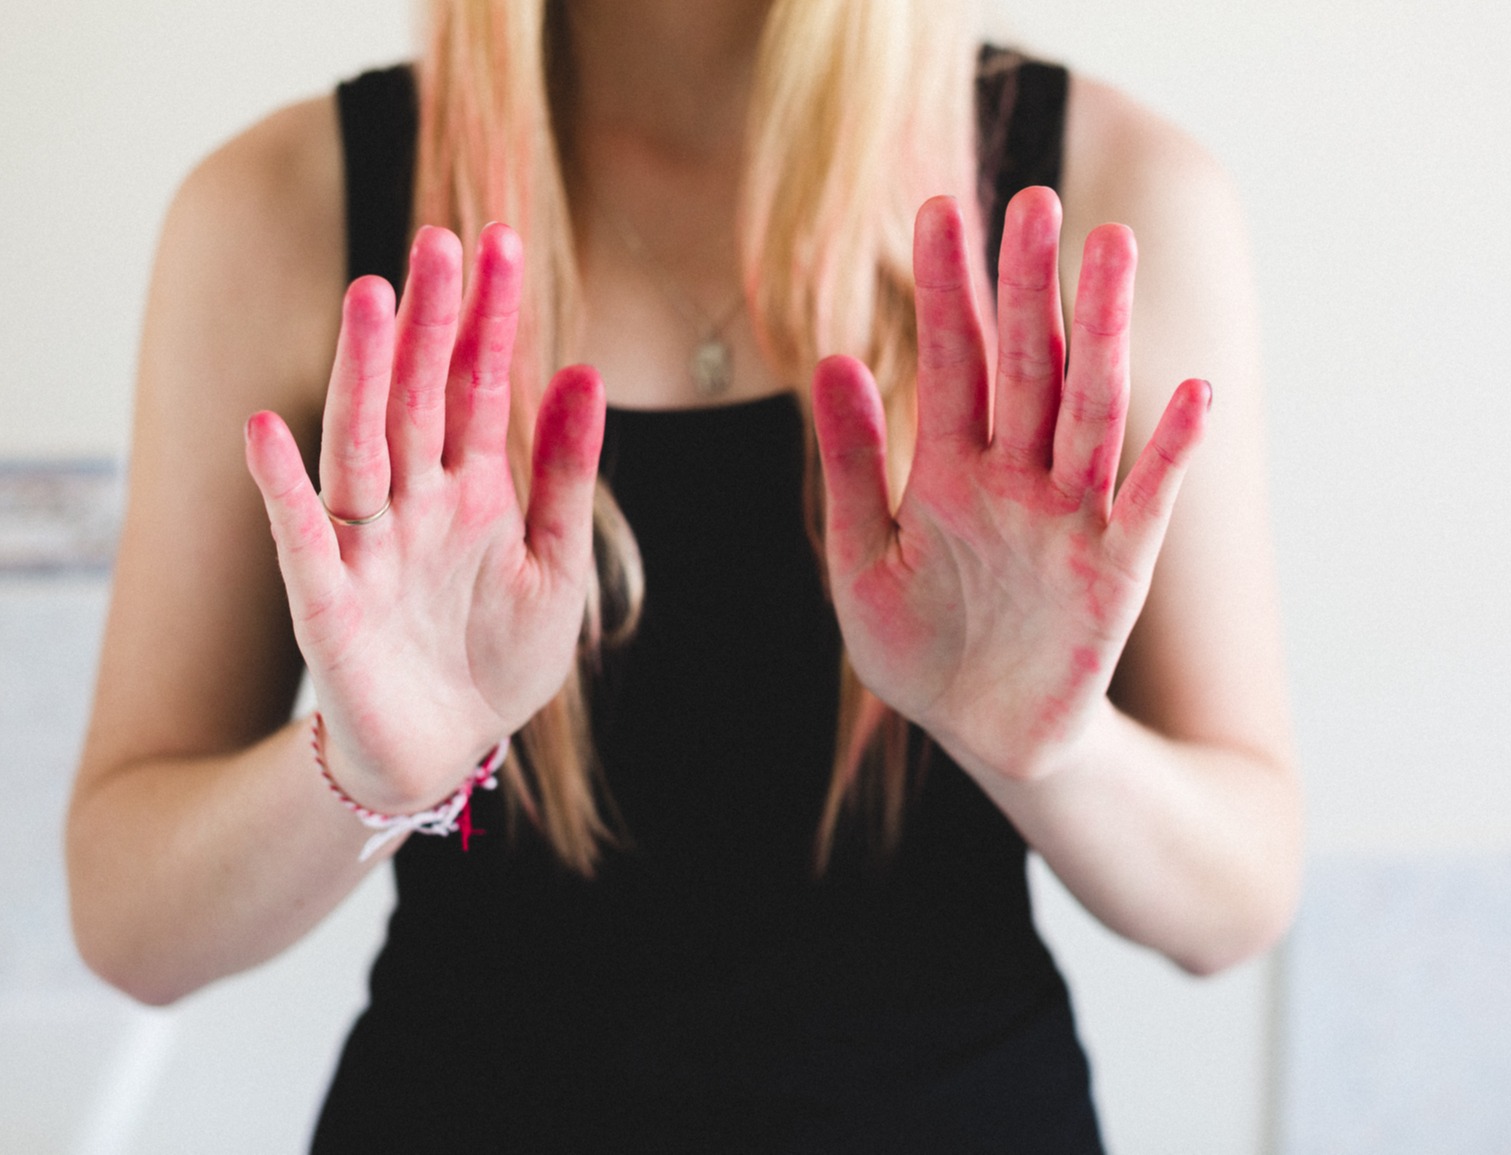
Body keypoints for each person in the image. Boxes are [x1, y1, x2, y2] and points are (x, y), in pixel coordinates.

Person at [66, 0, 1300, 1149]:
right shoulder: (278, 210)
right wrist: (360, 774)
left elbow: (1236, 896)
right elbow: (131, 923)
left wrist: (1054, 750)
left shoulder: (1115, 194)